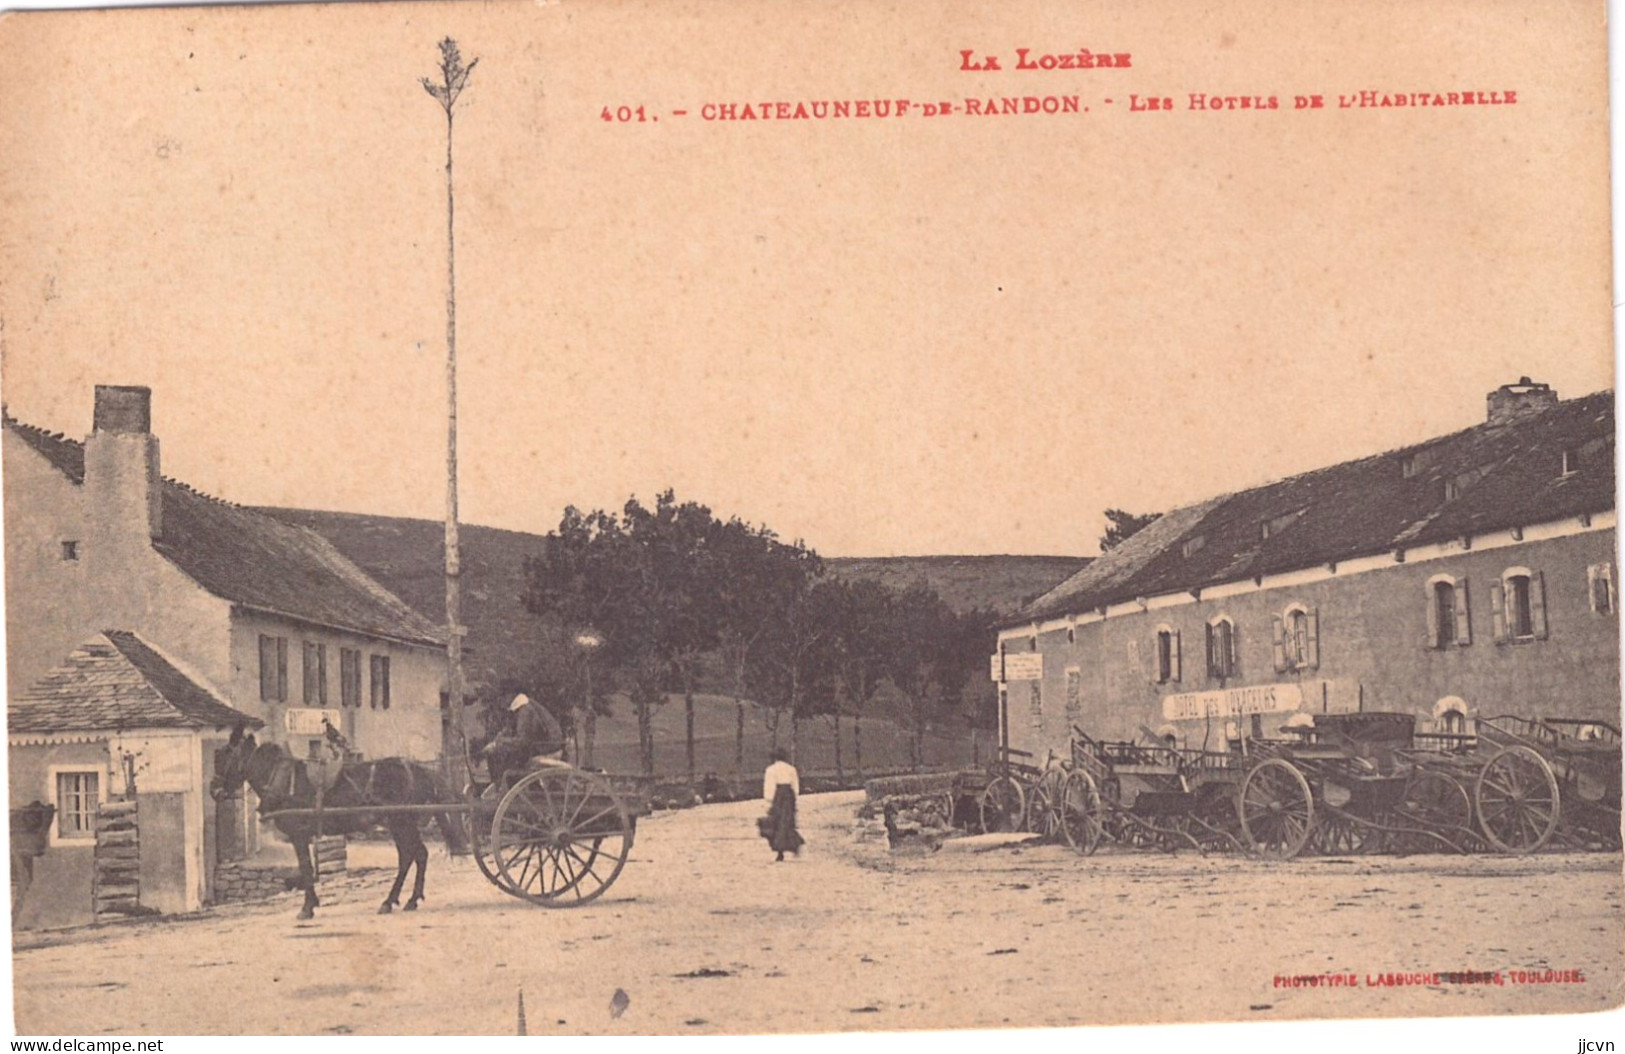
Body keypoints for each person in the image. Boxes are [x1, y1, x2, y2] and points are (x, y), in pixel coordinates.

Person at [481, 693, 565, 791]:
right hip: (539, 748)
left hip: (547, 749)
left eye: (503, 698)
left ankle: (502, 789)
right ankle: (499, 786)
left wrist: (498, 744)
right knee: (499, 752)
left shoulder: (526, 710)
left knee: (500, 754)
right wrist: (498, 741)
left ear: (510, 697)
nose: (501, 702)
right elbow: (509, 731)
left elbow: (523, 741)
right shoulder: (519, 709)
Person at [759, 747, 804, 862]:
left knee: (777, 823)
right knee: (788, 822)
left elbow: (769, 785)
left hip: (778, 796)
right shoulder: (791, 769)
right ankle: (794, 844)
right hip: (789, 796)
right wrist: (794, 797)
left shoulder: (771, 769)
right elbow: (795, 785)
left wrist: (768, 800)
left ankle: (780, 851)